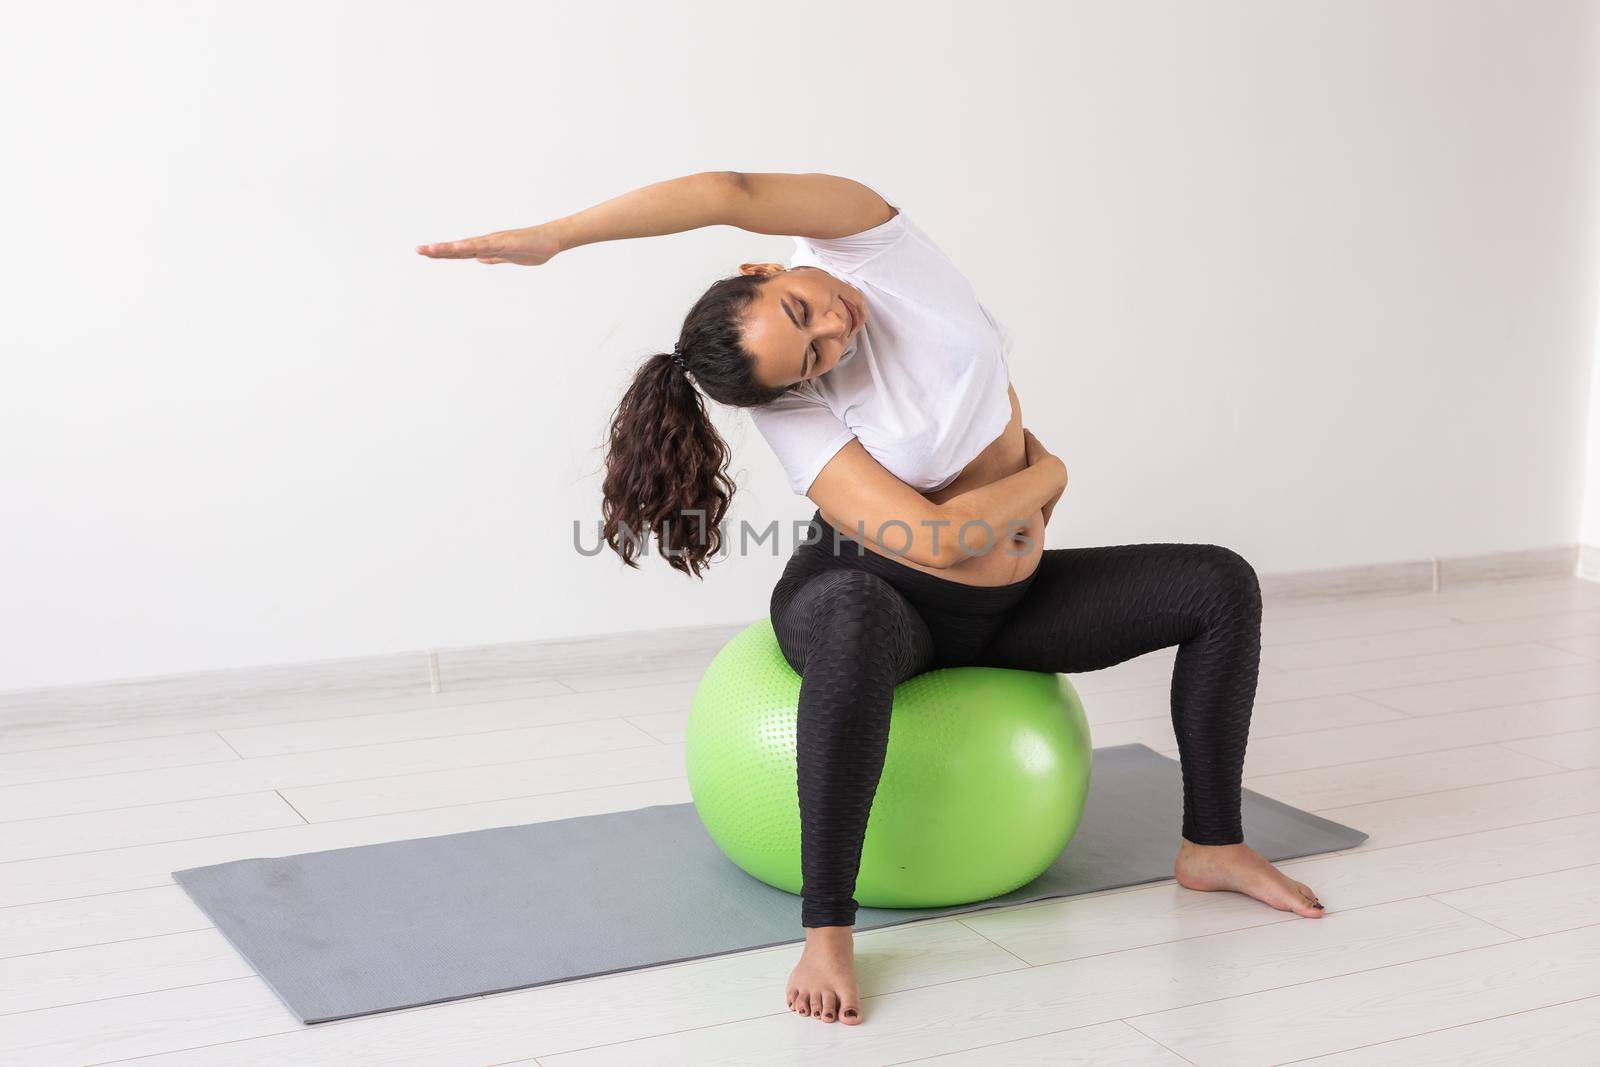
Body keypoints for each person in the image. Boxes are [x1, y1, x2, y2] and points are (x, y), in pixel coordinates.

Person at [417, 171, 1324, 1028]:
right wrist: (1049, 471)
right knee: (854, 620)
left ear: (765, 268)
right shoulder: (792, 407)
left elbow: (728, 191)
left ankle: (1214, 844)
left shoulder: (872, 247)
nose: (834, 337)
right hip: (875, 596)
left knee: (1218, 583)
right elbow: (930, 542)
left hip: (1009, 607)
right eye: (810, 357)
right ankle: (827, 934)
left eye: (803, 311)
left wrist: (560, 235)